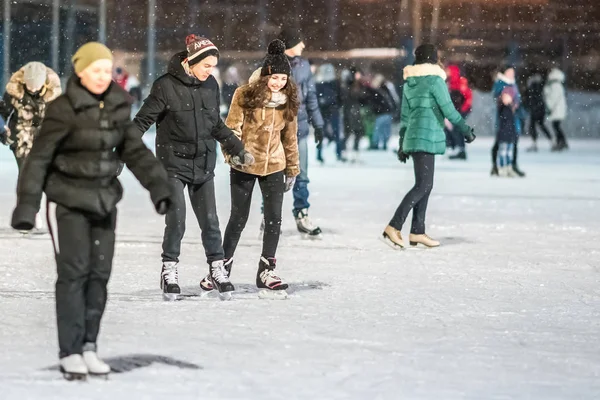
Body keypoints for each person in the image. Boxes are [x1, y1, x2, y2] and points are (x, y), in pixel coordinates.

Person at [10, 42, 172, 380]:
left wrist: (160, 189)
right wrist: (28, 206)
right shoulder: (63, 109)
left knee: (99, 275)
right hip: (66, 201)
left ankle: (88, 346)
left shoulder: (116, 106)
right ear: (81, 72)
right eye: (95, 70)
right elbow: (38, 159)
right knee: (75, 273)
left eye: (106, 70)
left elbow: (135, 152)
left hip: (103, 202)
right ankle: (69, 351)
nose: (102, 76)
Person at [133, 34, 255, 300]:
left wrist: (237, 148)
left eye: (213, 67)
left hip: (203, 163)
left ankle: (217, 268)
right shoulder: (164, 86)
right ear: (191, 61)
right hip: (172, 164)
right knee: (176, 221)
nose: (210, 72)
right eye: (206, 66)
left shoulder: (211, 85)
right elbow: (142, 122)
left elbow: (216, 124)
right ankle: (169, 270)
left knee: (211, 222)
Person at [200, 40, 300, 295]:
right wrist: (234, 155)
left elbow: (290, 137)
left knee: (274, 219)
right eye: (274, 77)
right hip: (245, 164)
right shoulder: (244, 94)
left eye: (283, 78)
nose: (278, 83)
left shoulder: (288, 100)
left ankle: (267, 269)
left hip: (275, 165)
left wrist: (292, 169)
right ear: (265, 74)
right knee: (238, 218)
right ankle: (221, 268)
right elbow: (231, 128)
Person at [381, 44, 475, 249]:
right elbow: (449, 109)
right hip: (427, 137)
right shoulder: (435, 81)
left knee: (425, 184)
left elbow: (405, 117)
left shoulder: (409, 83)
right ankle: (394, 226)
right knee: (423, 185)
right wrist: (465, 129)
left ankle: (417, 231)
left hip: (414, 137)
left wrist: (402, 144)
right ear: (433, 59)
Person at [0, 62, 62, 231]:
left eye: (37, 87)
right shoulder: (13, 92)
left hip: (44, 138)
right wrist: (3, 129)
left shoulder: (54, 94)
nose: (33, 90)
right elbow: (3, 113)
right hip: (21, 136)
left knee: (41, 175)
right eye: (30, 86)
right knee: (26, 174)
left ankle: (35, 209)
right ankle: (29, 213)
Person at [278, 27, 324, 238]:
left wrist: (319, 124)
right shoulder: (273, 64)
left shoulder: (304, 66)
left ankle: (302, 213)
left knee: (301, 175)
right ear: (289, 44)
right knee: (274, 175)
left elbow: (312, 96)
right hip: (277, 131)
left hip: (301, 129)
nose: (303, 46)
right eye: (299, 42)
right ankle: (269, 216)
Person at [491, 65, 525, 177]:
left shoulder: (513, 85)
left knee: (512, 143)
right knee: (501, 143)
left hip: (513, 118)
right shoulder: (501, 83)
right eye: (509, 72)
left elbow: (517, 101)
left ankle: (511, 165)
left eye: (512, 73)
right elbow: (498, 96)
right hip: (503, 118)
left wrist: (518, 110)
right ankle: (497, 166)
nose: (511, 75)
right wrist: (503, 98)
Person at [315, 63, 344, 162]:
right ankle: (338, 153)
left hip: (323, 110)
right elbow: (340, 97)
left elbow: (314, 99)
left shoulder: (318, 83)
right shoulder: (335, 83)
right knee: (336, 131)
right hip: (332, 109)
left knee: (321, 133)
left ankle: (319, 154)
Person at [341, 66, 368, 162]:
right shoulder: (353, 85)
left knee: (349, 133)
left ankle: (345, 153)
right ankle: (352, 154)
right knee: (356, 132)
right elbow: (360, 96)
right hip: (353, 112)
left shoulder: (347, 85)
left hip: (349, 111)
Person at [524, 71, 552, 152]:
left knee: (533, 126)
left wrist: (530, 107)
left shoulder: (533, 87)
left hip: (536, 109)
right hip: (540, 109)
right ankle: (550, 141)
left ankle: (535, 143)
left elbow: (530, 99)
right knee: (540, 125)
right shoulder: (540, 86)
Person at [543, 67, 569, 151]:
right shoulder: (557, 84)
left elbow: (553, 97)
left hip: (556, 109)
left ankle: (561, 142)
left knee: (556, 126)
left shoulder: (555, 85)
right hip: (558, 109)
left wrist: (549, 107)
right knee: (556, 126)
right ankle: (561, 142)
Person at [496, 89, 519, 177]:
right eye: (504, 97)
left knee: (509, 152)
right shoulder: (502, 108)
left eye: (508, 97)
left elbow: (512, 123)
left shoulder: (511, 108)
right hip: (503, 133)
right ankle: (502, 168)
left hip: (510, 134)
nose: (506, 99)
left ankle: (509, 167)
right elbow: (502, 121)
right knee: (503, 151)